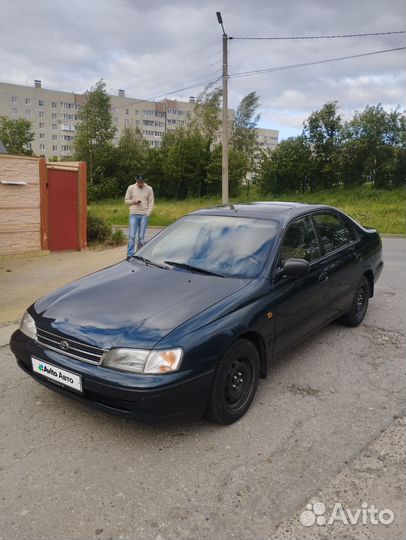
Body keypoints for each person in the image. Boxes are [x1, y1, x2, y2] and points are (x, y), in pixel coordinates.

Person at [124, 175, 154, 259]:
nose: (140, 183)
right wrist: (134, 202)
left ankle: (138, 254)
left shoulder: (149, 189)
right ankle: (130, 254)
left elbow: (151, 202)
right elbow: (126, 201)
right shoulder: (131, 187)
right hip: (133, 214)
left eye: (141, 182)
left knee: (141, 237)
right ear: (136, 180)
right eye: (138, 182)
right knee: (132, 236)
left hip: (144, 215)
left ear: (144, 181)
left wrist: (148, 213)